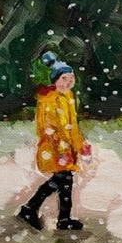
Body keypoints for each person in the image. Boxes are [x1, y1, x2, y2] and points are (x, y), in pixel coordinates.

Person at [16, 57, 91, 232]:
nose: (68, 81)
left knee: (63, 181)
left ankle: (56, 216)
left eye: (71, 77)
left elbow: (72, 126)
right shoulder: (49, 100)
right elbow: (50, 128)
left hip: (66, 149)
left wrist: (81, 145)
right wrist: (62, 149)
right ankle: (36, 211)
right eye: (64, 78)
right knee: (62, 180)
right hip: (54, 148)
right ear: (56, 80)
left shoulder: (68, 97)